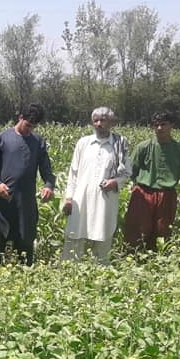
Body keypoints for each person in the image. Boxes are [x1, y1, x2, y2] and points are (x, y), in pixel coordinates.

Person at [0, 103, 56, 266]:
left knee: (25, 243)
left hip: (26, 203)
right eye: (28, 125)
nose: (30, 129)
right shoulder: (3, 138)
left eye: (34, 126)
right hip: (3, 201)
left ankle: (25, 276)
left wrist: (48, 186)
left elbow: (47, 171)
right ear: (20, 118)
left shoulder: (38, 142)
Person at [61, 107, 131, 264]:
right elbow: (73, 173)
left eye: (103, 120)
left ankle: (100, 271)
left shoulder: (119, 143)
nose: (99, 124)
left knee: (103, 233)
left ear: (111, 122)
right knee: (75, 235)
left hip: (105, 200)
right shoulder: (83, 143)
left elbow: (126, 172)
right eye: (95, 121)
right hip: (81, 199)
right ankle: (69, 270)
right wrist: (69, 198)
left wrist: (115, 182)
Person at [122, 111, 180, 251]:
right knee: (137, 227)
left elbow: (179, 170)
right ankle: (134, 256)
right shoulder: (144, 147)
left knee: (163, 228)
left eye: (163, 124)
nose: (159, 128)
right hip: (144, 192)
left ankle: (158, 258)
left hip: (166, 193)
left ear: (171, 126)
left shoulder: (178, 149)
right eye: (156, 125)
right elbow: (132, 169)